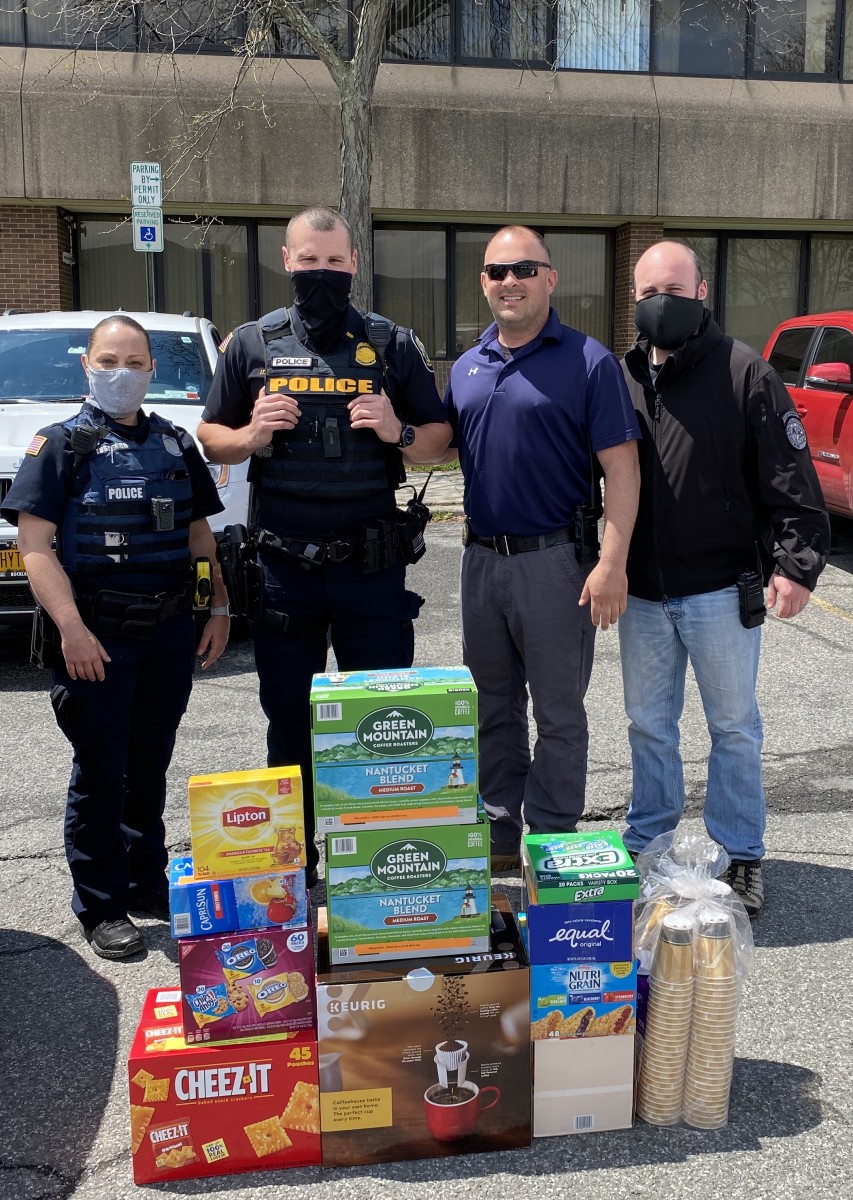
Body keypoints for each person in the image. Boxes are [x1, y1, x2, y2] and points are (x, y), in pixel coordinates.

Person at [197, 206, 451, 885]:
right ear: (287, 261)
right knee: (289, 721)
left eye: (334, 263)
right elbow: (207, 435)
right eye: (309, 262)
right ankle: (295, 862)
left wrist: (395, 429)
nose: (321, 274)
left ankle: (374, 858)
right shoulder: (251, 344)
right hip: (285, 570)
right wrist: (249, 436)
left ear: (354, 263)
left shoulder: (390, 344)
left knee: (381, 719)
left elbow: (439, 441)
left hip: (371, 567)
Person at [2, 314, 230, 959]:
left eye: (134, 363)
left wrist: (217, 607)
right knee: (102, 771)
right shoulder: (60, 445)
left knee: (149, 764)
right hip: (95, 635)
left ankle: (145, 880)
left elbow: (199, 536)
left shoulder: (176, 443)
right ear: (87, 365)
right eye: (109, 361)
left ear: (152, 370)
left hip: (166, 632)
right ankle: (101, 904)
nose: (121, 373)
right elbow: (34, 548)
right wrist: (70, 630)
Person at [618, 240, 831, 916]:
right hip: (642, 595)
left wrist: (796, 565)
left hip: (718, 589)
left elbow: (790, 479)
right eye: (649, 291)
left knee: (732, 726)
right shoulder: (619, 374)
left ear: (701, 292)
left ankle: (739, 854)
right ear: (633, 299)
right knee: (648, 725)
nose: (661, 303)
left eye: (674, 290)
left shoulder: (745, 372)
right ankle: (647, 844)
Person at [442, 225, 641, 872]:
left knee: (557, 713)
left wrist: (611, 563)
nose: (509, 281)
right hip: (479, 563)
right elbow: (438, 446)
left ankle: (553, 842)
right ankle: (500, 841)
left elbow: (622, 470)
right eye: (496, 271)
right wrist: (395, 428)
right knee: (492, 710)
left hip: (556, 564)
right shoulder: (469, 365)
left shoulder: (588, 362)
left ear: (549, 279)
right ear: (482, 281)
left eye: (524, 269)